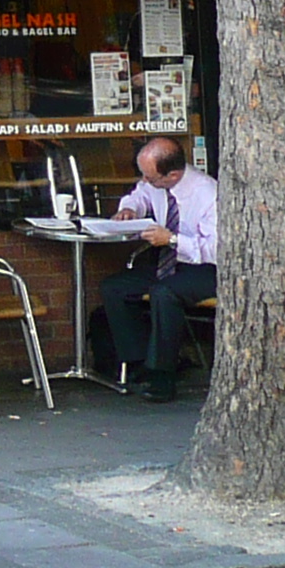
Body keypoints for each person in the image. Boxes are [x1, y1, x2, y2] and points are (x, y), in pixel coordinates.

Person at [97, 133, 217, 404]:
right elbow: (139, 195)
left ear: (172, 175)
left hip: (205, 267)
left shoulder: (207, 193)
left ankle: (164, 374)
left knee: (165, 293)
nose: (146, 181)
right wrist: (129, 209)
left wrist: (173, 240)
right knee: (115, 288)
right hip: (168, 261)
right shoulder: (155, 182)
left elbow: (217, 248)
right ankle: (140, 361)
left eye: (151, 178)